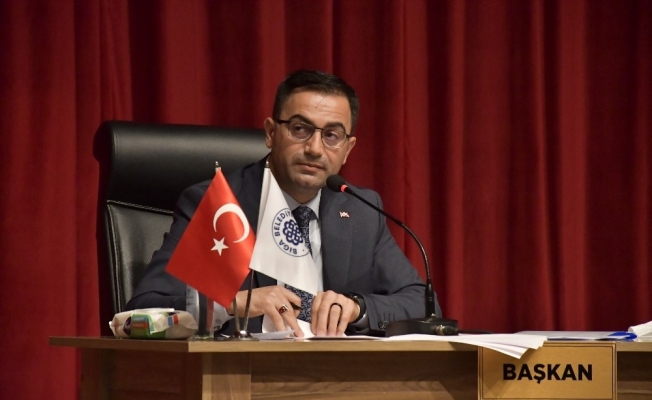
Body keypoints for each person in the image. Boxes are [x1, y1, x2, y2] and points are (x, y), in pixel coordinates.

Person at [126, 69, 441, 337]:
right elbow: (142, 311)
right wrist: (233, 304)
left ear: (347, 149)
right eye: (300, 129)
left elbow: (425, 306)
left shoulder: (360, 211)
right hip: (242, 375)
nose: (315, 148)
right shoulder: (221, 204)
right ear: (270, 133)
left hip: (338, 375)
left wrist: (357, 308)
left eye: (332, 135)